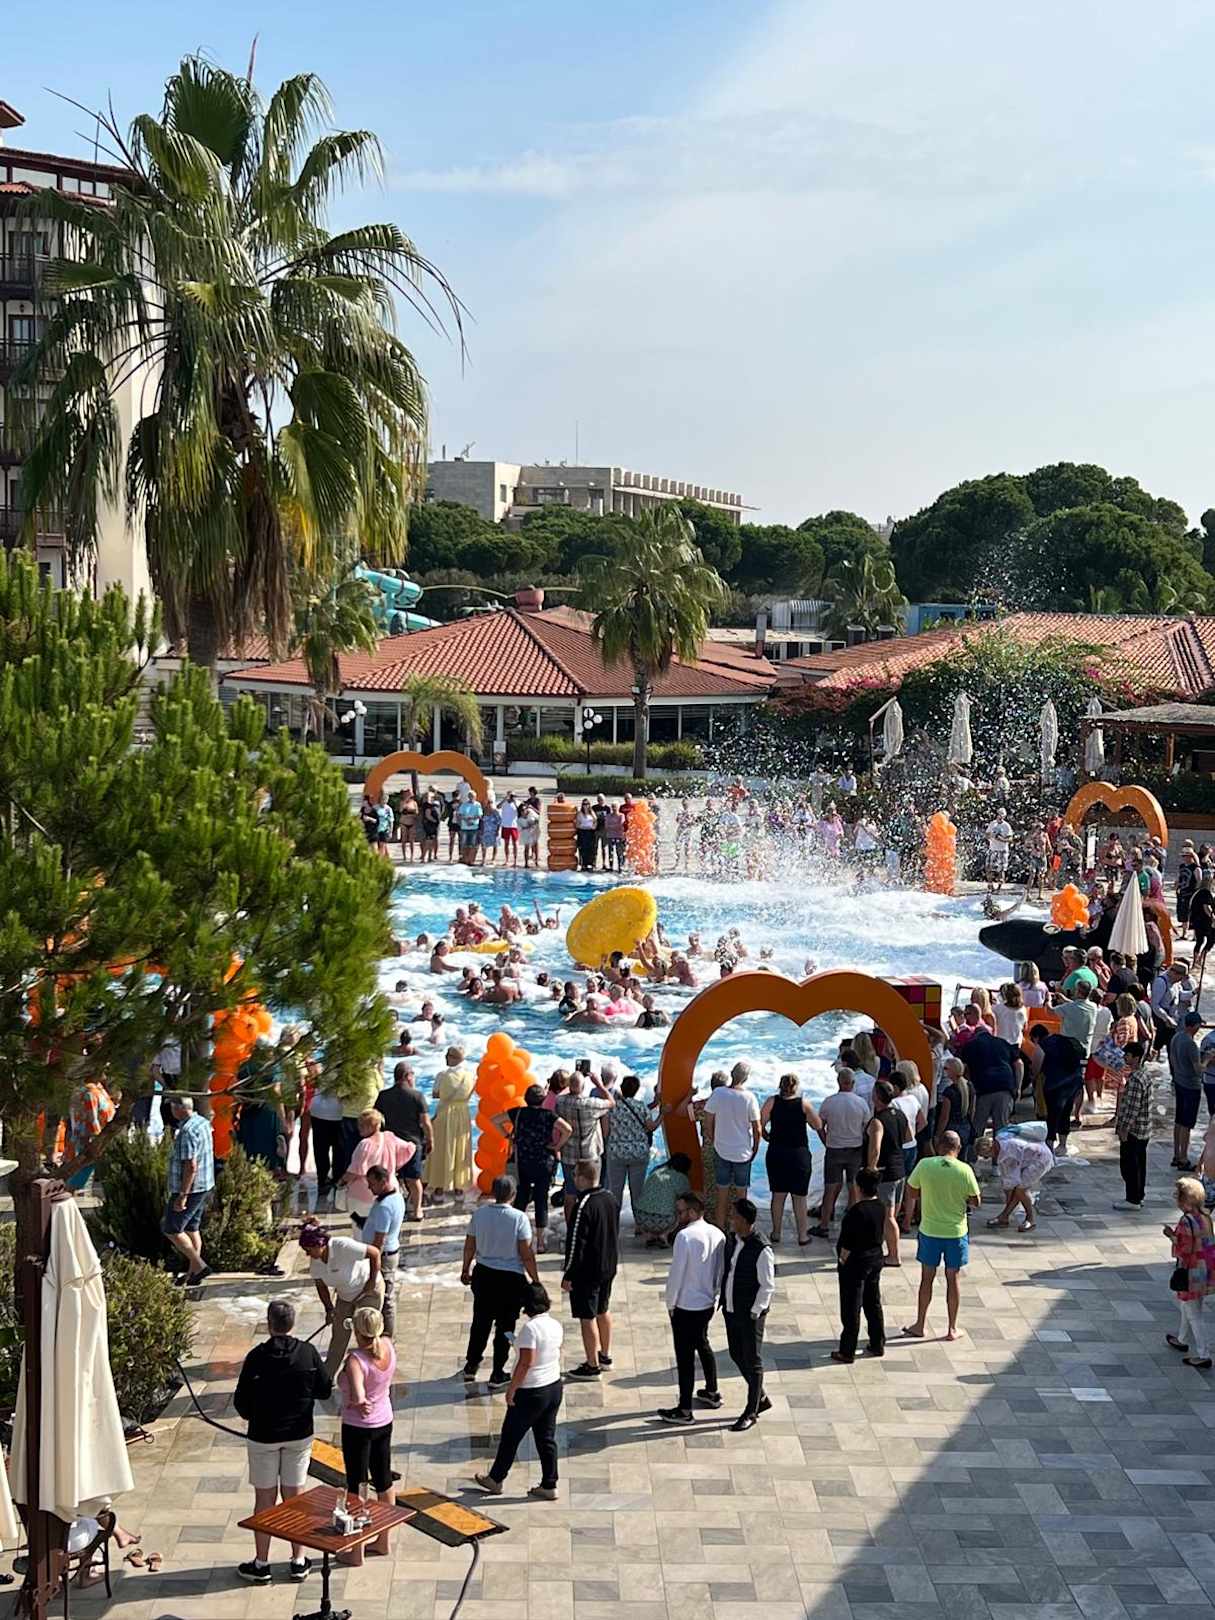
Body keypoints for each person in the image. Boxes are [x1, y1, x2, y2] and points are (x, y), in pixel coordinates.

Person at [234, 1299, 332, 1585]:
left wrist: (254, 1415)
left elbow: (241, 1401)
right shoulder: (308, 1353)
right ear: (292, 1323)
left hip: (263, 1436)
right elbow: (325, 1390)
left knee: (265, 1500)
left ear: (269, 1324)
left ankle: (261, 1564)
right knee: (296, 1498)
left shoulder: (256, 1357)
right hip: (299, 1435)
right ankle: (298, 1561)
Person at [474, 1282, 564, 1501]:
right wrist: (511, 1337)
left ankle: (496, 1479)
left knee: (510, 1437)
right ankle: (549, 1484)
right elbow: (533, 1350)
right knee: (546, 1439)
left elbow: (526, 1362)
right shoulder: (554, 1324)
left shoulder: (530, 1329)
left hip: (531, 1392)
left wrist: (512, 1389)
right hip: (553, 1387)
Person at [461, 1175, 539, 1389]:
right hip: (511, 1280)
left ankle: (471, 1365)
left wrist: (465, 1269)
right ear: (513, 1194)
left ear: (494, 1192)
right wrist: (535, 1279)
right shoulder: (519, 1218)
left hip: (484, 1275)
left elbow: (470, 1245)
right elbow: (526, 1254)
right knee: (506, 1326)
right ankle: (497, 1371)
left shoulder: (479, 1215)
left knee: (480, 1322)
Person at [901, 1132, 980, 1341]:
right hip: (956, 1233)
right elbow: (976, 1201)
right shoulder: (964, 1169)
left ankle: (920, 1324)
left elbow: (911, 1191)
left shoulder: (925, 1165)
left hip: (930, 1230)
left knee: (926, 1278)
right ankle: (952, 1328)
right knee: (953, 1279)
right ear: (958, 1148)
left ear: (938, 1145)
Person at [659, 1191, 725, 1424]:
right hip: (706, 1303)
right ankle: (712, 1391)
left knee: (685, 1356)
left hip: (686, 1305)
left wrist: (670, 1303)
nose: (678, 1216)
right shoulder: (718, 1234)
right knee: (703, 1344)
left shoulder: (685, 1237)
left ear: (693, 1212)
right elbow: (720, 1271)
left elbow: (677, 1274)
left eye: (680, 1212)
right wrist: (714, 1296)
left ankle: (685, 1409)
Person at [338, 1306, 397, 1563]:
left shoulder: (355, 1360)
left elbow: (358, 1395)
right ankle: (383, 1541)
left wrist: (359, 1402)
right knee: (384, 1481)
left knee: (357, 1485)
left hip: (358, 1429)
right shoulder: (388, 1346)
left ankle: (357, 1551)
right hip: (384, 1421)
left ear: (357, 1332)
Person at [299, 1221, 384, 1376]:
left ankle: (372, 1373)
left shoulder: (342, 1246)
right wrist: (329, 1309)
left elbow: (375, 1253)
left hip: (367, 1291)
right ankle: (327, 1377)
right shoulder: (315, 1263)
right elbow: (321, 1286)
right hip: (345, 1296)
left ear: (319, 1244)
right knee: (339, 1336)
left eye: (308, 1250)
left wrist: (371, 1282)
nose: (307, 1254)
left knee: (366, 1332)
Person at [561, 1160, 620, 1380]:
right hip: (608, 1265)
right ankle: (605, 1355)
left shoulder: (583, 1205)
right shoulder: (610, 1198)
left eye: (575, 1175)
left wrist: (569, 1273)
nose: (574, 1179)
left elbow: (576, 1243)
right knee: (603, 1309)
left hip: (588, 1271)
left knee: (587, 1317)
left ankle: (592, 1365)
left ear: (582, 1178)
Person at [720, 1198, 774, 1430]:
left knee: (752, 1360)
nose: (730, 1219)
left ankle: (751, 1411)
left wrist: (755, 1311)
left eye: (733, 1215)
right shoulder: (733, 1240)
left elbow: (767, 1285)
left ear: (743, 1220)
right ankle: (760, 1396)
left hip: (750, 1314)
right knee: (736, 1353)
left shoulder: (762, 1249)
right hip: (731, 1308)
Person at [497, 1084, 570, 1254]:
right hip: (544, 1162)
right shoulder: (548, 1115)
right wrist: (557, 1146)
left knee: (521, 1197)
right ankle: (541, 1242)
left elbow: (495, 1120)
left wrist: (507, 1136)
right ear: (543, 1100)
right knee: (541, 1200)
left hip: (522, 1161)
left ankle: (515, 1236)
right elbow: (568, 1129)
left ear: (526, 1099)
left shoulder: (518, 1113)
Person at [833, 1167, 888, 1364]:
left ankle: (847, 1350)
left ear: (858, 1187)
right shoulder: (881, 1206)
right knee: (873, 1302)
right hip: (875, 1258)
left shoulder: (856, 1212)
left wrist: (842, 1261)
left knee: (851, 1306)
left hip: (856, 1262)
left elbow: (846, 1244)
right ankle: (877, 1342)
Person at [761, 1074, 820, 1246]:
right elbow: (817, 1125)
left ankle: (776, 1233)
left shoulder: (772, 1102)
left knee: (778, 1195)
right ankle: (802, 1236)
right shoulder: (803, 1104)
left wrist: (766, 1136)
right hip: (798, 1154)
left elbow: (759, 1123)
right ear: (796, 1087)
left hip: (777, 1153)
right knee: (799, 1197)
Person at [161, 1097, 215, 1286]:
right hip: (204, 1184)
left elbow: (190, 1166)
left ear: (178, 1109)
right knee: (192, 1228)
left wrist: (182, 1195)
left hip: (190, 1188)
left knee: (172, 1229)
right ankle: (193, 1273)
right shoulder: (202, 1122)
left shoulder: (187, 1131)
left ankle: (199, 1265)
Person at [702, 1061, 762, 1229]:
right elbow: (757, 1128)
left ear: (732, 1074)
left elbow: (708, 1119)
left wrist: (713, 1138)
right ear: (746, 1078)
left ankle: (721, 1229)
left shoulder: (718, 1093)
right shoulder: (749, 1097)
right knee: (742, 1197)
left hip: (721, 1150)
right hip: (742, 1152)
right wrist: (755, 1148)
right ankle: (741, 1230)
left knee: (722, 1195)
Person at [812, 1068, 872, 1237]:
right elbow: (867, 1126)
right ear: (852, 1083)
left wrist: (825, 1140)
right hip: (855, 1148)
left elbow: (819, 1125)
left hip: (834, 1148)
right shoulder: (861, 1103)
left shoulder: (829, 1102)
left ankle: (824, 1225)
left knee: (830, 1188)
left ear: (838, 1082)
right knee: (854, 1187)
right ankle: (853, 1225)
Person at [1165, 1176, 1214, 1370]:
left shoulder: (1186, 1221)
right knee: (1188, 1306)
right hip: (1204, 1270)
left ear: (1185, 1199)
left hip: (1190, 1271)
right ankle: (1181, 1339)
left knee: (1194, 1313)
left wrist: (1171, 1236)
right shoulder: (1205, 1216)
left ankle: (1204, 1354)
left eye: (1178, 1195)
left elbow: (1184, 1248)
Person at [374, 1062, 433, 1224]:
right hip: (412, 1144)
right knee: (414, 1179)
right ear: (407, 1076)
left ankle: (393, 1208)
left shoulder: (383, 1095)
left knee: (392, 1177)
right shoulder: (417, 1096)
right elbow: (425, 1122)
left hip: (391, 1143)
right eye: (412, 1075)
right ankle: (417, 1210)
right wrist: (430, 1140)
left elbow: (376, 1118)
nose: (414, 1078)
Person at [338, 1109, 414, 1231]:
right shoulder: (390, 1137)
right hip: (389, 1190)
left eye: (362, 1125)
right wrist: (394, 1166)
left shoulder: (365, 1144)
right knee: (384, 1230)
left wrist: (341, 1182)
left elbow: (354, 1171)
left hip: (363, 1194)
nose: (359, 1128)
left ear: (371, 1126)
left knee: (360, 1230)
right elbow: (409, 1148)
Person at [554, 1071, 615, 1216]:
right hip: (589, 1155)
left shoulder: (560, 1101)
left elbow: (562, 1095)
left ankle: (570, 1225)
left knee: (570, 1193)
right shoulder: (591, 1104)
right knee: (591, 1193)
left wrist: (571, 1082)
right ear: (583, 1087)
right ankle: (588, 1223)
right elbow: (611, 1103)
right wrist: (599, 1084)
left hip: (569, 1154)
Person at [863, 1080, 907, 1264]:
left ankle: (894, 1256)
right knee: (891, 1215)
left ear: (876, 1097)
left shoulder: (877, 1121)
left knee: (888, 1217)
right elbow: (909, 1137)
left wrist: (870, 1169)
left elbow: (875, 1148)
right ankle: (883, 1249)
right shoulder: (900, 1115)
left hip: (885, 1173)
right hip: (900, 1170)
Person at [1027, 1024, 1085, 1158]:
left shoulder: (1043, 1045)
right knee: (1066, 1113)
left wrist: (1034, 1078)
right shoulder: (1064, 1040)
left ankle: (1049, 1146)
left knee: (1052, 1115)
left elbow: (1036, 1068)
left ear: (1036, 1037)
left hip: (1055, 1085)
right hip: (1074, 1082)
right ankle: (1063, 1145)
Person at [602, 1076, 656, 1216]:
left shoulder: (611, 1108)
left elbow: (605, 1132)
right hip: (638, 1153)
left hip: (616, 1153)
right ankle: (639, 1222)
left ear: (621, 1088)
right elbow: (651, 1127)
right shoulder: (641, 1106)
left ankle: (613, 1222)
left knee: (615, 1191)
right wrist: (662, 1115)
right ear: (636, 1090)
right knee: (637, 1191)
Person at [984, 1128, 1055, 1232]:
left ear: (990, 1150)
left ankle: (1030, 1219)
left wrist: (1009, 1200)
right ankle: (1004, 1216)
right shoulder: (1000, 1138)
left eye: (985, 1156)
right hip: (1034, 1152)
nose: (986, 1158)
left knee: (1021, 1190)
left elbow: (1013, 1181)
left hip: (1040, 1159)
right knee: (1014, 1189)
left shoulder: (1008, 1155)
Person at [362, 1165, 405, 1337]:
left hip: (384, 1256)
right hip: (389, 1252)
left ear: (383, 1181)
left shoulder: (384, 1207)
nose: (369, 1188)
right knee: (385, 1296)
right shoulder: (396, 1196)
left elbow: (379, 1240)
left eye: (372, 1184)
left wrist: (373, 1265)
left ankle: (387, 1337)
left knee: (385, 1298)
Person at [429, 1046, 476, 1202]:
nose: (445, 1057)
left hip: (445, 1113)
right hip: (463, 1114)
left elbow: (435, 1094)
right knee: (461, 1148)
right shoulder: (470, 1076)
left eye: (448, 1055)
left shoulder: (442, 1075)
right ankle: (459, 1188)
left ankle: (439, 1188)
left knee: (442, 1148)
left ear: (455, 1058)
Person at [960, 1026, 1016, 1149]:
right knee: (1001, 1130)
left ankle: (972, 1157)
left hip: (983, 1090)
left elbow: (964, 1068)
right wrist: (1018, 1087)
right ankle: (999, 1159)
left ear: (975, 1035)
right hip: (1004, 1088)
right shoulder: (1003, 1043)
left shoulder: (971, 1045)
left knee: (977, 1127)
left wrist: (969, 1086)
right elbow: (1019, 1064)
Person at [1112, 1042, 1153, 1210]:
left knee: (1130, 1165)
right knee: (1139, 1165)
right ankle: (1138, 1196)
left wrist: (1124, 1129)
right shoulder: (1144, 1074)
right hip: (1144, 1129)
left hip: (1134, 1130)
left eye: (1127, 1055)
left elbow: (1133, 1107)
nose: (1125, 1058)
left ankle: (1132, 1199)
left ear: (1136, 1058)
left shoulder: (1136, 1079)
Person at [633, 1152, 693, 1248]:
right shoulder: (681, 1178)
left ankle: (650, 1235)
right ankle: (663, 1235)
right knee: (682, 1207)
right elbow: (687, 1197)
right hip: (665, 1221)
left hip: (640, 1217)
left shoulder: (655, 1172)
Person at [1169, 1011, 1204, 1170]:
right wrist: (1207, 1060)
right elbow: (1198, 1070)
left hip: (1179, 1081)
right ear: (1194, 1026)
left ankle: (1176, 1155)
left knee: (1179, 1120)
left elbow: (1173, 1059)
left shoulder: (1176, 1037)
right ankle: (1183, 1158)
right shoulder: (1190, 1044)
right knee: (1187, 1124)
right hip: (1191, 1086)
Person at [985, 806, 1013, 893]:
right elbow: (987, 834)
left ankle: (999, 888)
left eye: (1002, 815)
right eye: (999, 814)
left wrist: (1001, 839)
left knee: (1001, 870)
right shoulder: (992, 824)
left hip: (1002, 850)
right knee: (989, 868)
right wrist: (990, 836)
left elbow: (1010, 839)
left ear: (1004, 816)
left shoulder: (1006, 826)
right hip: (992, 849)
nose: (1000, 816)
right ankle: (990, 886)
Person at [518, 797, 540, 869]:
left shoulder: (531, 812)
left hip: (534, 831)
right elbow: (520, 829)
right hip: (525, 834)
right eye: (522, 810)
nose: (524, 810)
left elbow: (538, 818)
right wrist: (528, 826)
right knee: (526, 848)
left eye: (525, 809)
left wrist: (533, 824)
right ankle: (526, 863)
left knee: (535, 846)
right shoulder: (519, 819)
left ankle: (536, 862)